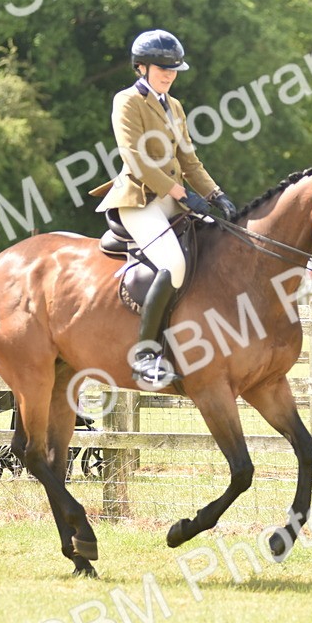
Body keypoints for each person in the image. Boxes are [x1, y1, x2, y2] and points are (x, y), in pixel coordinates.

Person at [90, 29, 238, 388]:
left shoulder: (174, 106)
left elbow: (189, 159)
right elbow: (136, 159)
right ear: (141, 67)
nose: (169, 75)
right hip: (140, 200)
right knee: (173, 263)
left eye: (174, 69)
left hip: (173, 199)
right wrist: (182, 194)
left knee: (217, 248)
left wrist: (216, 194)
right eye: (162, 68)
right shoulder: (126, 101)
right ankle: (145, 354)